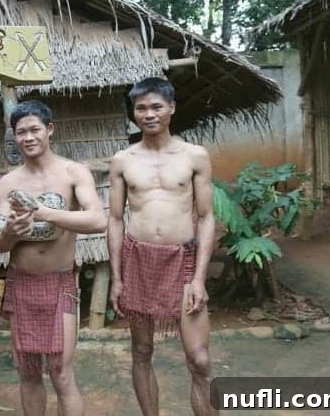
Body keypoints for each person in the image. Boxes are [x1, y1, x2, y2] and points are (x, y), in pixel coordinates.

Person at [107, 77, 216, 416]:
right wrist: (117, 277)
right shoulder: (123, 160)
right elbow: (114, 220)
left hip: (182, 261)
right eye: (141, 108)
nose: (149, 114)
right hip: (138, 259)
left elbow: (207, 217)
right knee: (141, 351)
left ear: (172, 108)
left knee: (199, 360)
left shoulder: (194, 156)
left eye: (156, 107)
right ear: (133, 113)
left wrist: (199, 278)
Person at [0, 100, 107, 416]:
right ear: (14, 137)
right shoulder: (8, 183)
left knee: (61, 372)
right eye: (21, 132)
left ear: (49, 129)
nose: (28, 137)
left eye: (34, 129)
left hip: (60, 282)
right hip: (21, 282)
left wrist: (45, 213)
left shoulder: (73, 172)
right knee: (27, 372)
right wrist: (13, 231)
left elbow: (97, 220)